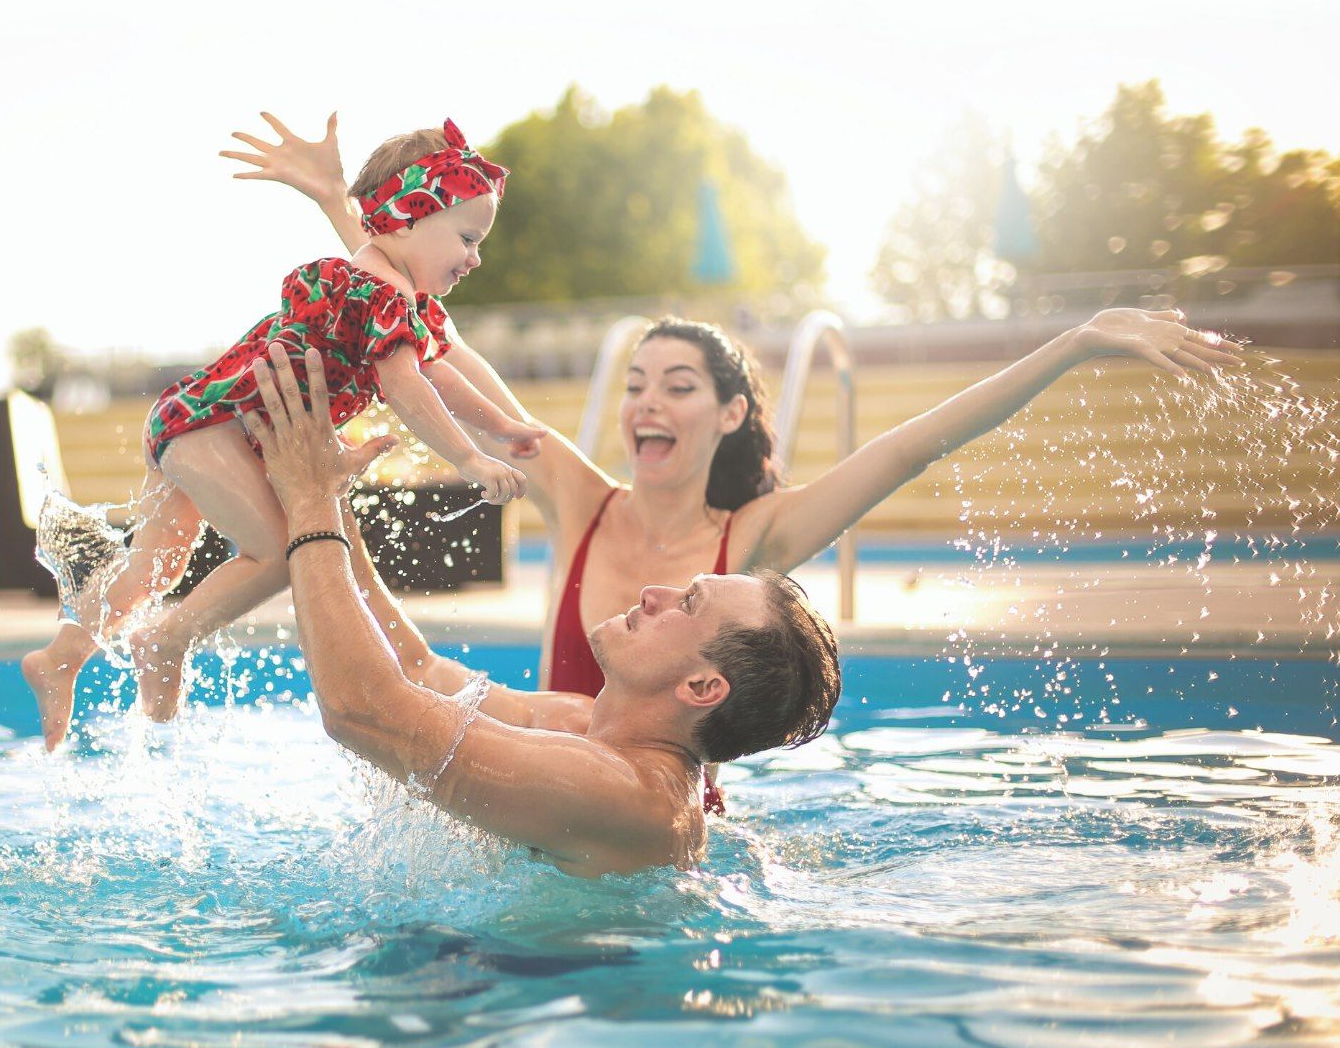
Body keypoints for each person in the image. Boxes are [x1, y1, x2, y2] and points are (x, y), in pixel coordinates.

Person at [224, 113, 1248, 811]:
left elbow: (912, 443)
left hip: (594, 809)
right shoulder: (582, 502)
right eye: (635, 381)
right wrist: (346, 216)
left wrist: (1071, 345)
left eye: (675, 384)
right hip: (545, 771)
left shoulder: (750, 549)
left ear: (729, 413)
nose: (643, 404)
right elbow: (436, 341)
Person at [23, 119, 546, 748]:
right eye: (466, 237)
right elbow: (411, 390)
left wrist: (504, 426)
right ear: (407, 219)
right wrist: (469, 459)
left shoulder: (393, 295)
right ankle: (165, 641)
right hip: (216, 428)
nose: (475, 257)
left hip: (195, 420)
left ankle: (61, 655)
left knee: (157, 565)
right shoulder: (376, 292)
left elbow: (438, 373)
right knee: (279, 554)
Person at [243, 342, 842, 876]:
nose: (652, 594)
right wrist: (329, 494)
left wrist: (309, 503)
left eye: (687, 602)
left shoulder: (622, 795)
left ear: (704, 686)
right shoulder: (587, 727)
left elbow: (364, 714)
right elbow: (417, 672)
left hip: (532, 988)